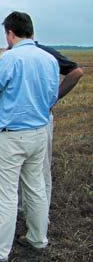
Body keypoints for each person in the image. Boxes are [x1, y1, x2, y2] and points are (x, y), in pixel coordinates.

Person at [0, 11, 59, 262]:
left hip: (13, 135)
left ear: (10, 33)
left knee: (6, 194)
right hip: (40, 132)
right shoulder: (48, 59)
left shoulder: (10, 58)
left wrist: (0, 59)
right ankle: (38, 238)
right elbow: (53, 96)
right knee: (36, 187)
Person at [19, 43, 83, 212]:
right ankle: (26, 209)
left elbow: (76, 71)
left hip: (39, 120)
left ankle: (40, 215)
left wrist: (53, 98)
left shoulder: (45, 53)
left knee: (40, 169)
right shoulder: (15, 54)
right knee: (24, 170)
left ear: (11, 33)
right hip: (19, 123)